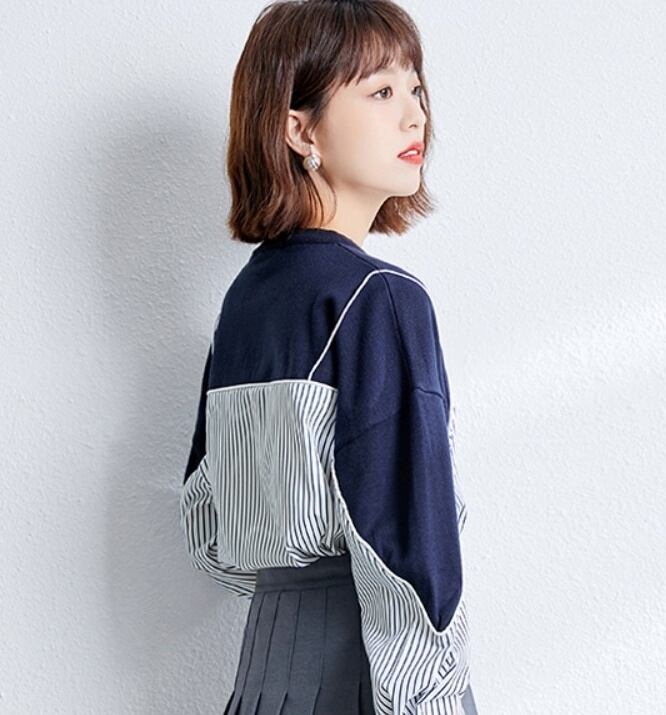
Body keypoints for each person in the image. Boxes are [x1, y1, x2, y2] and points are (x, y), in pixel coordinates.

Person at [178, 1, 478, 713]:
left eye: (416, 89)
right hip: (370, 676)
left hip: (261, 678)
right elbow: (408, 544)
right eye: (381, 91)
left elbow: (207, 522)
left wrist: (291, 599)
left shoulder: (246, 300)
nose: (414, 117)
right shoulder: (381, 299)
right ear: (300, 129)